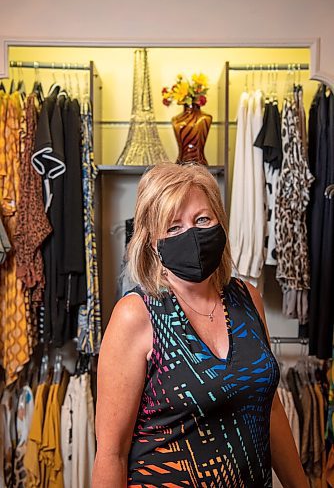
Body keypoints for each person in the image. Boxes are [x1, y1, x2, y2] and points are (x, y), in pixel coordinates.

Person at [92, 162, 308, 487]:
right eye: (173, 227)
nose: (191, 235)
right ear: (152, 241)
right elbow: (111, 454)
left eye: (202, 219)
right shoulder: (136, 315)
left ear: (220, 221)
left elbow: (268, 408)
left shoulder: (247, 298)